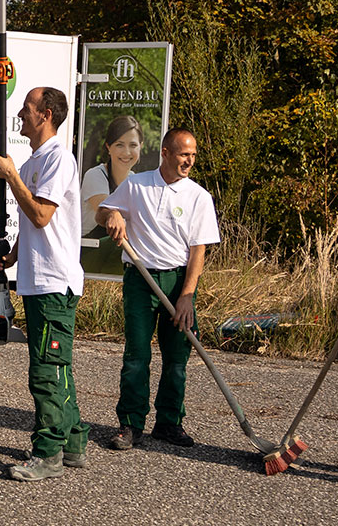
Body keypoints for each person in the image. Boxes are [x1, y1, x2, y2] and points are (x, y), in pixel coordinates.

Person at [93, 127, 220, 451]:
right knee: (137, 354)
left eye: (192, 155)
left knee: (177, 358)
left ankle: (169, 423)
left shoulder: (198, 197)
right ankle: (130, 424)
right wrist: (114, 215)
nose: (189, 161)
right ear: (165, 153)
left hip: (178, 282)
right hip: (140, 278)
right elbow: (102, 210)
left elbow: (198, 251)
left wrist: (187, 296)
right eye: (183, 155)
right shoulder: (137, 185)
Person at [0, 86, 90, 481]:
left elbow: (43, 215)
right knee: (57, 365)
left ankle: (47, 454)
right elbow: (35, 223)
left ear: (45, 114)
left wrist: (11, 174)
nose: (19, 114)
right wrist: (13, 254)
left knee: (47, 370)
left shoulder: (57, 159)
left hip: (54, 282)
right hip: (36, 279)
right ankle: (75, 443)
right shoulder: (36, 161)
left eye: (27, 108)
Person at [82, 115, 144, 235]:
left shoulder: (134, 180)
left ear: (141, 146)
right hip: (91, 249)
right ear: (108, 147)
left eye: (133, 145)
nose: (126, 152)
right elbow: (105, 211)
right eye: (119, 145)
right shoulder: (95, 175)